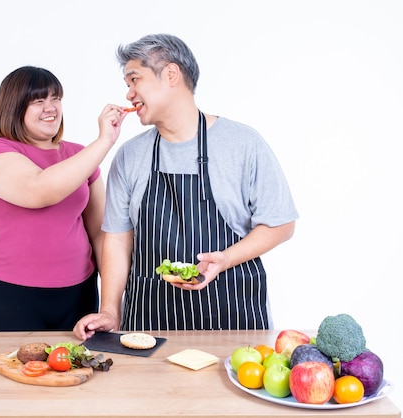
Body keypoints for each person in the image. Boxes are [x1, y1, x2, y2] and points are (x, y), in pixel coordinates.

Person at [74, 34, 299, 338]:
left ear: (170, 74)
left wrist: (226, 259)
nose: (128, 94)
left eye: (134, 79)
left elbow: (281, 224)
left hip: (231, 323)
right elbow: (117, 239)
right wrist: (110, 311)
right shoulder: (129, 156)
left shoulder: (242, 144)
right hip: (150, 324)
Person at [0, 65, 128, 332]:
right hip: (9, 295)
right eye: (38, 101)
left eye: (56, 98)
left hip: (79, 294)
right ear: (13, 107)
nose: (51, 108)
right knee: (13, 371)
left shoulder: (80, 155)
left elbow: (102, 234)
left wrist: (110, 307)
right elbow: (39, 190)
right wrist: (104, 141)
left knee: (80, 372)